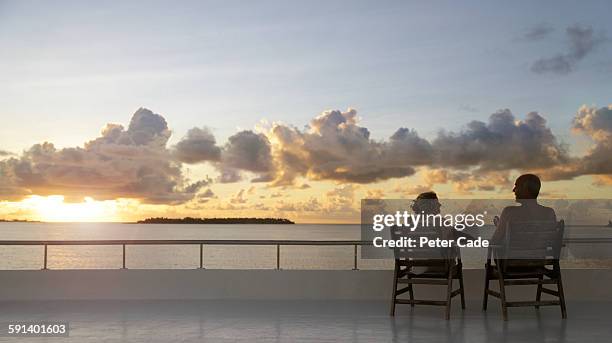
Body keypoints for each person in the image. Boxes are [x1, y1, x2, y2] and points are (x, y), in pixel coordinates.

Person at [491, 174, 556, 244]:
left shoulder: (509, 212)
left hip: (514, 254)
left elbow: (495, 240)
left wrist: (500, 225)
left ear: (525, 189)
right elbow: (548, 239)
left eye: (516, 186)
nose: (513, 190)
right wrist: (500, 224)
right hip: (538, 254)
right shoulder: (549, 212)